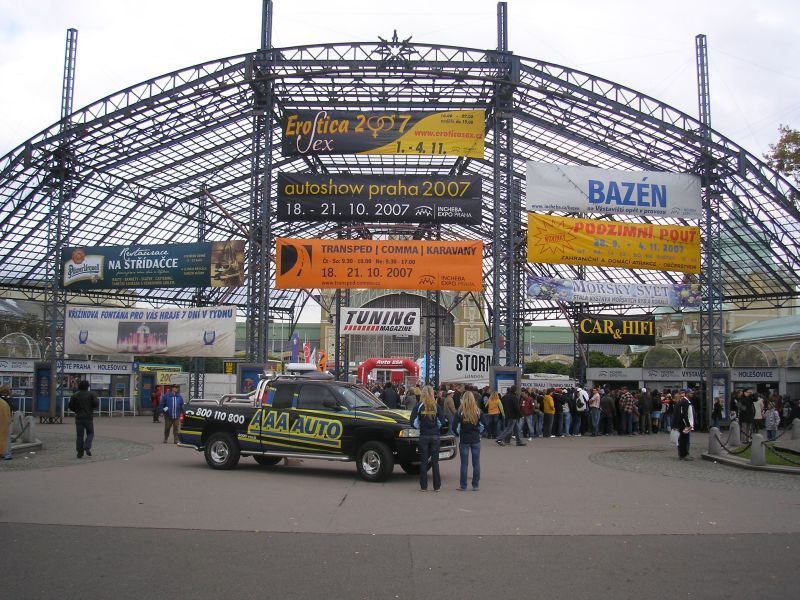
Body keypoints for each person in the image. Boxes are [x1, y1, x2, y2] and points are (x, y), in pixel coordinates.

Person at [410, 385, 445, 491]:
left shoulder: (419, 406)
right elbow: (442, 422)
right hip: (435, 436)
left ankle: (424, 486)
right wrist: (435, 428)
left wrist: (420, 427)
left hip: (424, 435)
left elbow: (412, 422)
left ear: (423, 393)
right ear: (432, 394)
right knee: (435, 462)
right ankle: (437, 486)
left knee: (424, 462)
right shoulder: (436, 406)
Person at [453, 391, 483, 491]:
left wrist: (459, 433)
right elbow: (484, 424)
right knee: (476, 463)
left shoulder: (460, 411)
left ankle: (463, 486)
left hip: (464, 439)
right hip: (475, 439)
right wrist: (479, 432)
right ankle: (475, 485)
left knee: (464, 464)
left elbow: (454, 427)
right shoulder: (478, 411)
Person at [68, 380, 99, 459]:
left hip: (79, 417)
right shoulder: (92, 394)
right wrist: (90, 408)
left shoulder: (75, 395)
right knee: (90, 432)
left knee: (79, 435)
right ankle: (87, 446)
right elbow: (96, 404)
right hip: (88, 417)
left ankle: (79, 453)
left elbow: (70, 406)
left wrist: (76, 411)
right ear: (88, 386)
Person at [673, 389, 694, 461]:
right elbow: (685, 414)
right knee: (684, 439)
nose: (692, 394)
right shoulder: (685, 402)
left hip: (683, 423)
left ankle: (683, 454)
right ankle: (684, 454)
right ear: (687, 394)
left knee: (683, 439)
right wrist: (688, 424)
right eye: (691, 393)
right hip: (684, 424)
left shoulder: (684, 401)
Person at [0, 385, 11, 461]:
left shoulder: (3, 400)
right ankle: (6, 454)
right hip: (6, 421)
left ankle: (5, 453)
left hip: (4, 420)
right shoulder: (7, 400)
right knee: (7, 438)